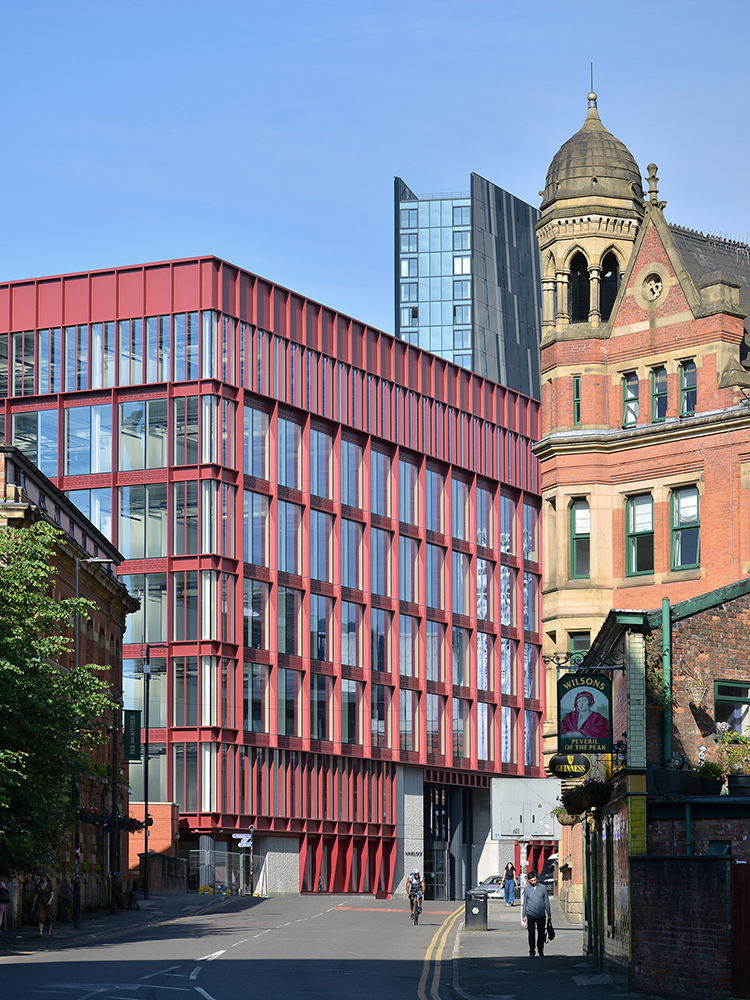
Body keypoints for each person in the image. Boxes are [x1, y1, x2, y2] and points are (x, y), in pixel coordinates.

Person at [521, 871, 551, 958]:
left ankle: (540, 951)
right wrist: (523, 915)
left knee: (541, 933)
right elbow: (525, 902)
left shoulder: (543, 888)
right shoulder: (527, 889)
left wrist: (549, 914)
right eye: (531, 881)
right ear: (529, 880)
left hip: (541, 914)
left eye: (534, 880)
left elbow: (546, 901)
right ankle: (532, 951)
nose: (533, 882)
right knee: (531, 933)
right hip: (530, 914)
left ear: (537, 878)